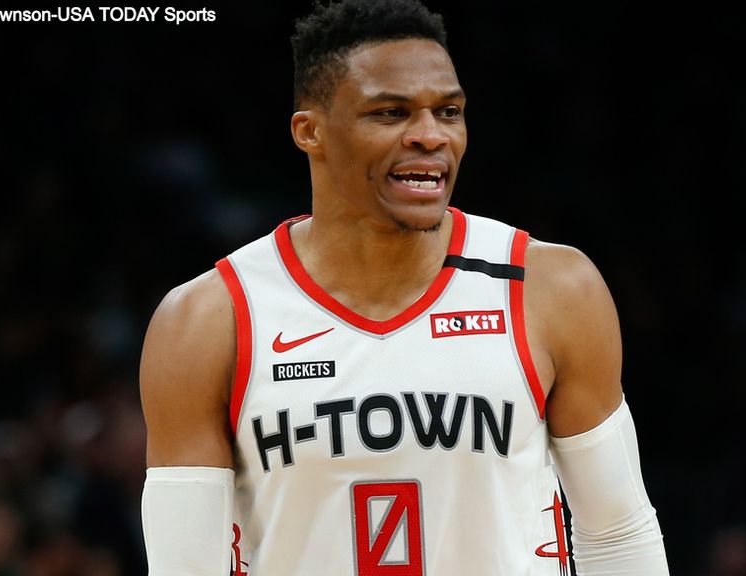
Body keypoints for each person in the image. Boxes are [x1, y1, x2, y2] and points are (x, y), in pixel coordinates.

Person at [138, 0, 670, 574]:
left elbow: (618, 534)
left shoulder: (550, 288)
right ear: (310, 131)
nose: (430, 136)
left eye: (448, 112)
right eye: (391, 113)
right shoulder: (208, 320)